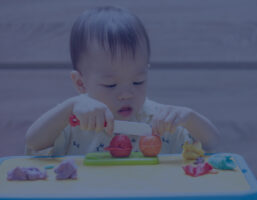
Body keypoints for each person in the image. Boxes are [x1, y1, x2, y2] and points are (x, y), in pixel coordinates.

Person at [25, 6, 219, 156]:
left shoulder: (160, 122)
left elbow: (214, 146)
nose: (127, 94)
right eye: (110, 85)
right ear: (81, 84)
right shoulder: (74, 119)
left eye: (138, 81)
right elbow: (33, 143)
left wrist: (191, 118)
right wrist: (70, 106)